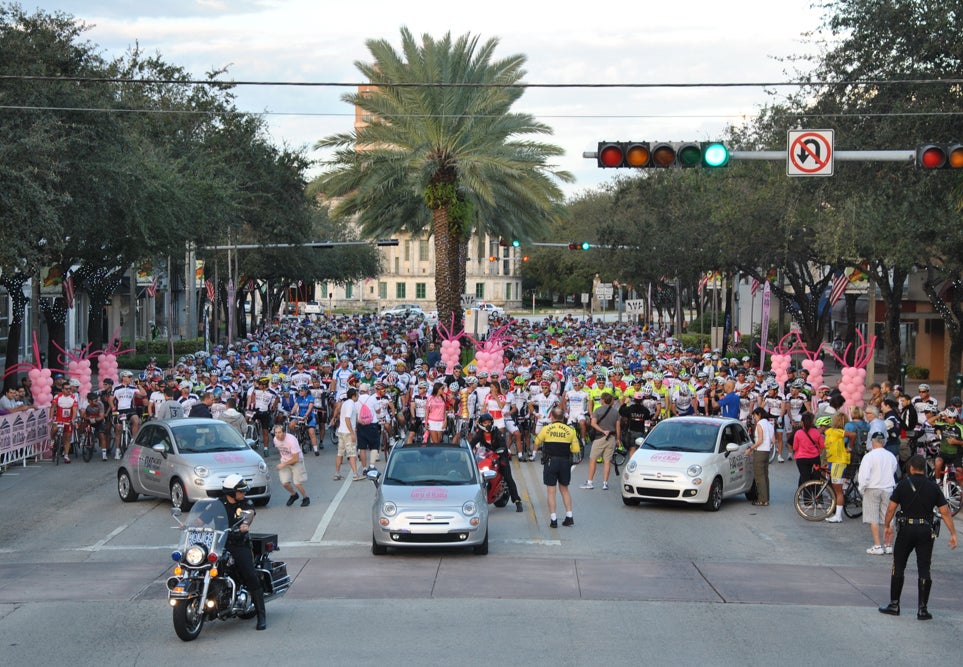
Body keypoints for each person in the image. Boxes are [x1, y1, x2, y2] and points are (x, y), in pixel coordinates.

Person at [879, 454, 958, 620]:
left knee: (898, 565)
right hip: (925, 530)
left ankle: (894, 603)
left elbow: (891, 509)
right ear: (924, 469)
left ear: (911, 468)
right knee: (924, 567)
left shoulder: (902, 485)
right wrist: (953, 533)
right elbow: (945, 512)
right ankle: (922, 609)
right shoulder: (933, 487)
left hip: (906, 528)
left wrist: (887, 526)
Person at [219, 474, 267, 630]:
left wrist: (245, 524)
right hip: (219, 544)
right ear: (231, 492)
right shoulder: (218, 504)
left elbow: (250, 515)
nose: (244, 493)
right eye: (240, 491)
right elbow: (202, 518)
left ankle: (261, 616)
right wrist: (190, 524)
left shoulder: (246, 503)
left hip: (238, 544)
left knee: (250, 575)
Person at [533, 407, 580, 528]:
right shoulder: (570, 430)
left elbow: (537, 442)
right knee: (564, 489)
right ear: (563, 418)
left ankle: (553, 520)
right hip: (565, 462)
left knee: (551, 492)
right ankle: (569, 516)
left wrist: (534, 452)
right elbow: (576, 449)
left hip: (550, 462)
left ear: (552, 417)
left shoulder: (546, 429)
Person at [468, 413, 522, 512]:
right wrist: (466, 453)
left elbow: (503, 445)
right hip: (487, 457)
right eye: (485, 423)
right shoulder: (479, 434)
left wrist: (502, 453)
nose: (487, 424)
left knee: (508, 478)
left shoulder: (497, 432)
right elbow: (471, 445)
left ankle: (517, 501)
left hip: (500, 456)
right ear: (481, 424)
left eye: (489, 422)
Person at [859, 432, 899, 555]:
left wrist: (862, 488)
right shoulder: (891, 456)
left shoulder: (869, 456)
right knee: (888, 518)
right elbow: (893, 470)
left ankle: (877, 545)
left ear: (873, 441)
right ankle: (888, 544)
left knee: (873, 518)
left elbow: (864, 475)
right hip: (887, 488)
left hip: (872, 487)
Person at [581, 390, 621, 490]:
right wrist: (618, 439)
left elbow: (593, 423)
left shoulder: (598, 410)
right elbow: (618, 427)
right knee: (607, 461)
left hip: (600, 437)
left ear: (602, 400)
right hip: (611, 438)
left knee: (593, 459)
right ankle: (605, 483)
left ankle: (590, 482)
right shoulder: (615, 412)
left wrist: (603, 431)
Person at [821, 412, 853, 524]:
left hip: (838, 462)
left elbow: (852, 435)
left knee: (838, 490)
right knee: (836, 489)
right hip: (833, 461)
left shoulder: (838, 431)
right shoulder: (831, 432)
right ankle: (836, 512)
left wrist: (850, 447)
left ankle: (838, 516)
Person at [272, 425, 310, 507]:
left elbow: (295, 458)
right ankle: (294, 495)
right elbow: (280, 450)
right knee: (285, 483)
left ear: (284, 433)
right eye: (276, 433)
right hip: (285, 460)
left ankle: (305, 498)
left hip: (296, 460)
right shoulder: (275, 440)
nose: (277, 435)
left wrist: (283, 464)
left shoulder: (291, 440)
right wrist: (282, 460)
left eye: (279, 432)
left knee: (297, 483)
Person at [747, 407, 774, 506]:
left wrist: (750, 449)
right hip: (767, 452)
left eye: (755, 415)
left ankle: (762, 499)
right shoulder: (769, 424)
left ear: (759, 415)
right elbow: (773, 440)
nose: (754, 418)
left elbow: (760, 440)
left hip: (760, 452)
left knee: (759, 477)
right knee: (765, 476)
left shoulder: (759, 424)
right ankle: (766, 498)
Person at [334, 387, 362, 481]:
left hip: (341, 431)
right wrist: (352, 433)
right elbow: (347, 418)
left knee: (340, 453)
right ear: (354, 396)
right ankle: (355, 474)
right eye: (357, 395)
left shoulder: (345, 403)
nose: (358, 396)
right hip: (347, 432)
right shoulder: (351, 404)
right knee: (352, 453)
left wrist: (359, 421)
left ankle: (337, 473)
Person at [792, 412, 825, 489]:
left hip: (802, 459)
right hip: (815, 458)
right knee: (816, 478)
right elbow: (822, 445)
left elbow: (795, 447)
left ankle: (807, 498)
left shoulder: (798, 433)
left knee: (805, 479)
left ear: (802, 422)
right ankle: (817, 495)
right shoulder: (816, 432)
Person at [52, 378, 80, 463]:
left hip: (68, 420)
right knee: (54, 429)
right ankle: (52, 440)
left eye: (69, 389)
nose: (68, 390)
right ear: (62, 389)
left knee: (67, 438)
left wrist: (73, 419)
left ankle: (66, 456)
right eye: (67, 389)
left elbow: (74, 410)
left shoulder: (73, 398)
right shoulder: (57, 396)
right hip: (59, 419)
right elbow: (53, 407)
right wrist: (50, 418)